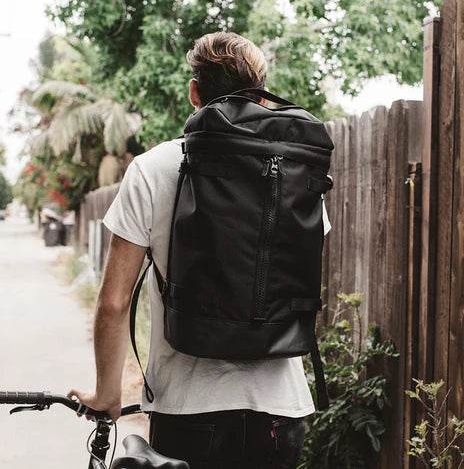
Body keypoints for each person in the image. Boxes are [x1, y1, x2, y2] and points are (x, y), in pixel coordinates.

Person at [68, 31, 331, 469]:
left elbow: (114, 302)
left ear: (195, 93)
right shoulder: (295, 167)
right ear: (263, 94)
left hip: (189, 410)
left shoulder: (152, 168)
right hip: (282, 412)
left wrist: (107, 395)